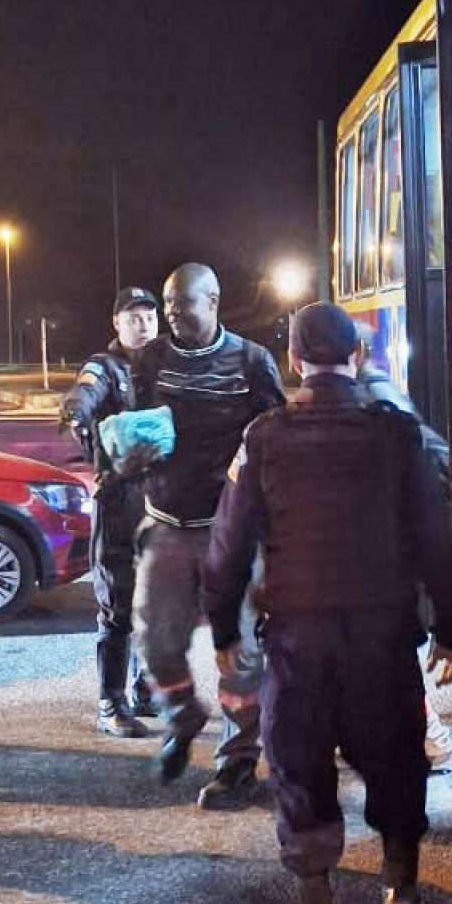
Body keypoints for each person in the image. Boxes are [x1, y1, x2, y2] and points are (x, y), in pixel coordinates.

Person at [205, 300, 452, 904]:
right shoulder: (397, 434)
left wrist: (222, 628)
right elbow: (436, 540)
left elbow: (227, 544)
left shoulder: (265, 437)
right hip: (382, 642)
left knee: (302, 776)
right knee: (399, 770)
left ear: (293, 359)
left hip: (298, 644)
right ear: (358, 356)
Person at [108, 262, 284, 806]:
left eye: (184, 303)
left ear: (213, 301)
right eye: (168, 304)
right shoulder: (150, 360)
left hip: (230, 532)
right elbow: (127, 430)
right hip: (165, 526)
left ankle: (236, 763)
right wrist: (120, 455)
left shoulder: (252, 362)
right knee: (155, 641)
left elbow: (277, 436)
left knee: (240, 655)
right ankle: (182, 719)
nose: (174, 313)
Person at [61, 285, 161, 737]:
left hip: (162, 502)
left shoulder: (167, 367)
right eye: (134, 317)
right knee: (118, 604)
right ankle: (110, 703)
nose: (143, 325)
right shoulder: (104, 369)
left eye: (149, 317)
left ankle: (145, 689)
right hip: (119, 500)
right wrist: (76, 414)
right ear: (116, 324)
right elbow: (84, 393)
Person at [353, 335, 452, 772]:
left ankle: (429, 736)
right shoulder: (372, 388)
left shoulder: (375, 397)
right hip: (393, 538)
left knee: (389, 654)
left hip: (394, 542)